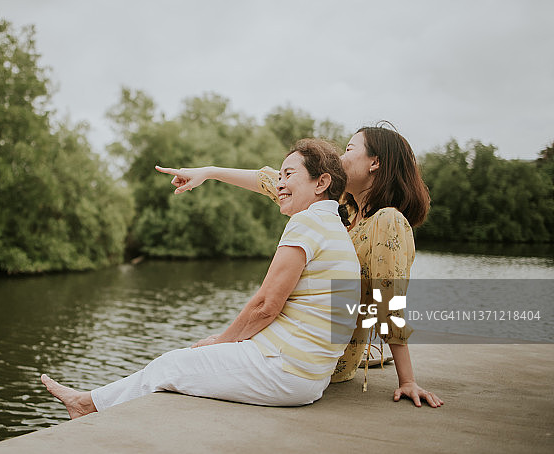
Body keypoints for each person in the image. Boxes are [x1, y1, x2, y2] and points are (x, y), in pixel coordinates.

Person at [41, 139, 361, 418]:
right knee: (190, 363)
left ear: (321, 183)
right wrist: (208, 171)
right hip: (310, 375)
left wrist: (220, 342)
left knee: (172, 365)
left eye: (288, 175)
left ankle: (85, 406)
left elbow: (266, 305)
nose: (279, 183)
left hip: (287, 371)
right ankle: (89, 403)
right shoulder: (334, 227)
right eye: (279, 176)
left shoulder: (307, 222)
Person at [156, 124, 444, 408]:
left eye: (349, 149)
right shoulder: (343, 208)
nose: (341, 158)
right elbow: (271, 181)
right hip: (298, 345)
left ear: (375, 163)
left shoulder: (387, 221)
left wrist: (407, 381)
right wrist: (209, 172)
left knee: (185, 363)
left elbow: (388, 303)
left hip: (318, 361)